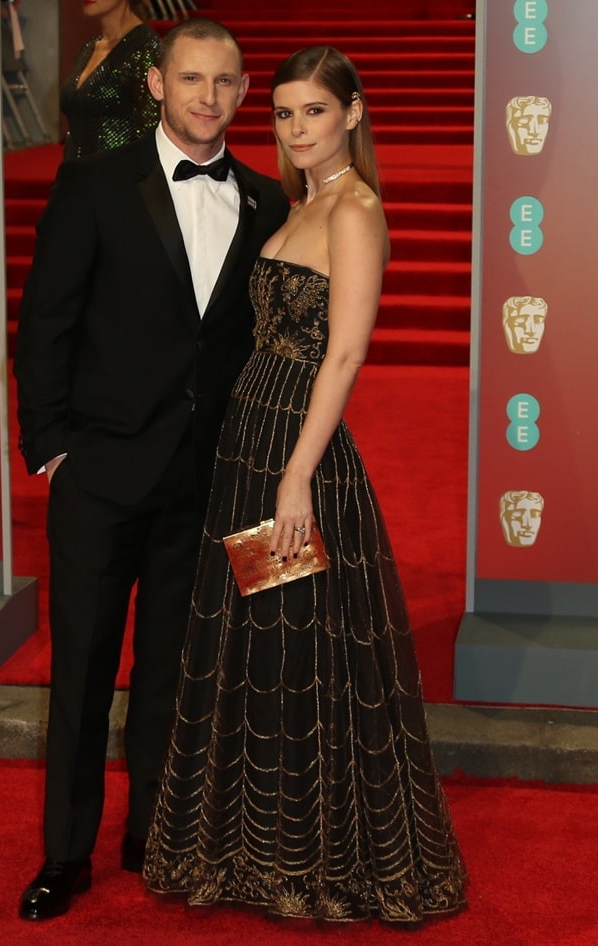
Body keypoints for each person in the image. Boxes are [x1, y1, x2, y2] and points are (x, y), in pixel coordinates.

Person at [143, 45, 467, 924]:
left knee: (301, 650)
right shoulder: (300, 205)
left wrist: (297, 479)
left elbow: (347, 353)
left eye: (314, 112)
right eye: (283, 113)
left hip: (294, 453)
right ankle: (251, 850)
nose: (296, 130)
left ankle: (308, 860)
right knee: (262, 646)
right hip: (251, 445)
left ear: (353, 115)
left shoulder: (354, 211)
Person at [13, 17, 289, 921]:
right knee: (84, 676)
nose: (208, 97)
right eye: (191, 79)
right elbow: (45, 322)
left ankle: (152, 835)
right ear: (158, 87)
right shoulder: (95, 183)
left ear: (243, 94)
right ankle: (65, 855)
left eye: (225, 82)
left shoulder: (262, 202)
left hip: (202, 484)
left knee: (174, 672)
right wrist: (53, 448)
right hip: (98, 477)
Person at [60, 0, 160, 159]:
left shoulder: (146, 46)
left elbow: (153, 132)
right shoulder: (89, 47)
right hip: (74, 176)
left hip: (119, 177)